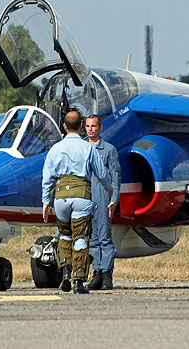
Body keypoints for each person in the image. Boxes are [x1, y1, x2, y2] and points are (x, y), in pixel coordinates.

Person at [42, 110, 111, 294]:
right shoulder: (88, 148)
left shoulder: (55, 149)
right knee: (80, 237)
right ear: (81, 126)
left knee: (64, 235)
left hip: (60, 198)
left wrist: (45, 201)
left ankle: (65, 273)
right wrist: (110, 188)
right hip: (81, 195)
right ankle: (78, 281)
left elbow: (47, 177)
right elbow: (102, 173)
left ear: (64, 126)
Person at [85, 114, 121, 290]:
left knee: (105, 237)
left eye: (93, 126)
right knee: (92, 238)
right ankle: (96, 272)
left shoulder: (108, 150)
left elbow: (115, 175)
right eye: (87, 126)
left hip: (103, 195)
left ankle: (107, 274)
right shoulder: (82, 148)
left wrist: (114, 199)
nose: (90, 129)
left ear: (100, 128)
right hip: (86, 196)